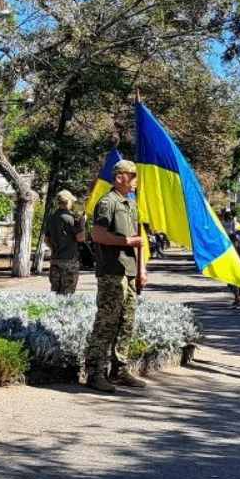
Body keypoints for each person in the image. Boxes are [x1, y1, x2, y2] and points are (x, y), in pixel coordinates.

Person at [85, 160, 146, 392]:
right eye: (132, 176)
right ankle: (95, 372)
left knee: (126, 322)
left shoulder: (130, 205)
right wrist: (126, 241)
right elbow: (98, 234)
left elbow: (140, 242)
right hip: (111, 271)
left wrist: (141, 269)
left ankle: (119, 370)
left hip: (128, 271)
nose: (135, 181)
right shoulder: (107, 203)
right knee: (106, 322)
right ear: (120, 177)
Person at [44, 190, 83, 295]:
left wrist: (54, 249)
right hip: (69, 260)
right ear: (68, 202)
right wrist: (82, 223)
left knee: (56, 293)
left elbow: (46, 239)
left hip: (55, 260)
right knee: (68, 294)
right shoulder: (71, 219)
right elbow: (80, 238)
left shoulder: (51, 217)